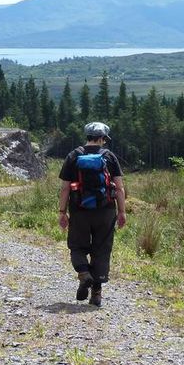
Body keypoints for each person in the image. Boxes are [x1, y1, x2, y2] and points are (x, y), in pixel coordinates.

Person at [57, 122, 126, 307]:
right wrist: (122, 212)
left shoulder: (73, 155)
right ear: (103, 138)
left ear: (87, 136)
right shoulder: (109, 156)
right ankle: (96, 294)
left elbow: (64, 189)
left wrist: (62, 212)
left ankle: (84, 274)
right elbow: (119, 188)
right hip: (106, 211)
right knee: (101, 250)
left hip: (79, 211)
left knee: (77, 247)